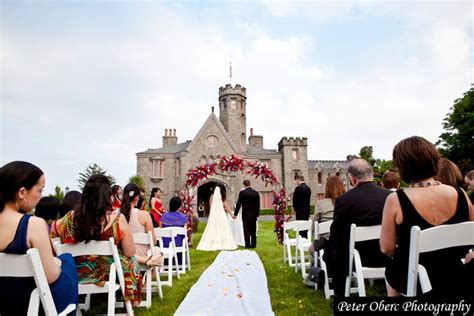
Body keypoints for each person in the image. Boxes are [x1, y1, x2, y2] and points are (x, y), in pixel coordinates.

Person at [380, 136, 473, 297]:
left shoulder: (396, 200)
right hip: (456, 276)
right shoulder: (460, 194)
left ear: (402, 166)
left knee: (393, 271)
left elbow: (387, 248)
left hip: (416, 279)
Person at [50, 174, 143, 307]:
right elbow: (129, 252)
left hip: (78, 274)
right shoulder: (117, 219)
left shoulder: (70, 218)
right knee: (131, 260)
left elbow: (52, 232)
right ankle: (132, 301)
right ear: (107, 196)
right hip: (108, 274)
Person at [0, 161, 78, 315]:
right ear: (22, 192)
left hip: (4, 302)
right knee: (67, 260)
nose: (40, 196)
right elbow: (50, 277)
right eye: (39, 190)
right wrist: (58, 262)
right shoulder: (32, 225)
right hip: (31, 303)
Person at [322, 158, 391, 298]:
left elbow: (336, 235)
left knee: (334, 249)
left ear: (352, 179)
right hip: (387, 255)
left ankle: (340, 295)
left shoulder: (344, 200)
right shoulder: (390, 196)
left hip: (357, 258)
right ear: (371, 174)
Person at [121, 183, 162, 267]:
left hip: (123, 254)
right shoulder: (144, 215)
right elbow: (153, 241)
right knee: (158, 252)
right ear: (137, 197)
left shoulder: (117, 215)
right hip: (144, 254)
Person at [197, 186, 238, 251]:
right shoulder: (222, 197)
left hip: (214, 215)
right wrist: (231, 214)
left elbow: (211, 207)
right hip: (221, 214)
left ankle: (212, 241)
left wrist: (211, 214)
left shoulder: (211, 197)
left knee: (212, 227)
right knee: (223, 227)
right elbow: (226, 207)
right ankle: (222, 241)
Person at [234, 180, 260, 248]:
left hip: (245, 214)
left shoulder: (242, 193)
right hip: (253, 215)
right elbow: (258, 205)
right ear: (250, 184)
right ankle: (253, 244)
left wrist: (235, 214)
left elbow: (238, 204)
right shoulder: (256, 193)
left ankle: (247, 245)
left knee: (246, 230)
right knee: (253, 230)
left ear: (244, 185)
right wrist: (257, 214)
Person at [161, 196, 187, 263]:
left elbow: (160, 230)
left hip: (165, 244)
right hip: (179, 244)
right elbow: (185, 232)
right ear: (179, 206)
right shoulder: (183, 218)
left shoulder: (163, 217)